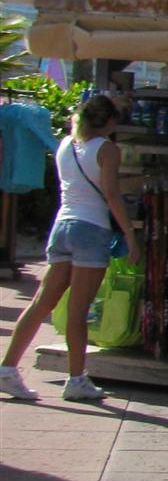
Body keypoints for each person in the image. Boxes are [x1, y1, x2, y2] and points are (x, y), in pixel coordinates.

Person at [0, 94, 140, 403]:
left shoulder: (67, 144)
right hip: (91, 229)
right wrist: (130, 235)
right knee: (79, 311)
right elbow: (112, 195)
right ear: (108, 121)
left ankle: (7, 368)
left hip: (62, 226)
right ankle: (76, 380)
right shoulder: (107, 150)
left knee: (41, 303)